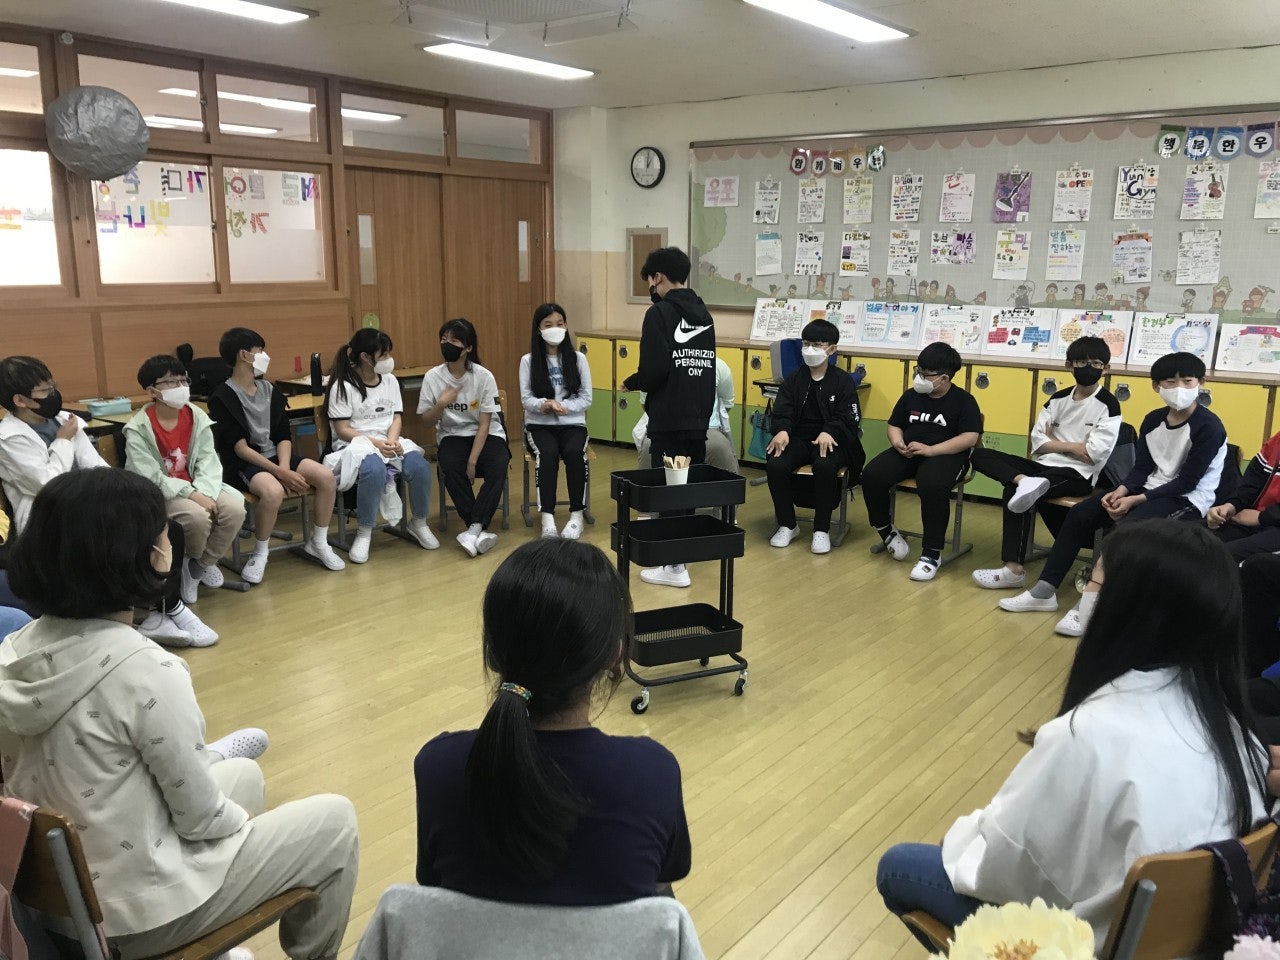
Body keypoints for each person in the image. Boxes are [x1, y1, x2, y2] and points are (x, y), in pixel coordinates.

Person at [0, 468, 360, 960]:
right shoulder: (146, 669)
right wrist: (240, 823)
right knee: (334, 822)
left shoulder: (12, 652)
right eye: (162, 533)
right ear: (146, 555)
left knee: (244, 773)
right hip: (135, 919)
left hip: (57, 905)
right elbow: (200, 820)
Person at [876, 520, 1269, 954]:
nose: (1087, 595)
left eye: (1092, 582)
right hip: (1180, 939)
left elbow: (1006, 865)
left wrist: (961, 839)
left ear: (1127, 609)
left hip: (1091, 942)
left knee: (900, 866)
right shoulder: (1230, 724)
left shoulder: (1086, 733)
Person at [414, 539, 691, 904]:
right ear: (615, 654)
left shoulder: (438, 766)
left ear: (493, 652)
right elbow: (661, 891)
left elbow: (434, 888)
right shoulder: (652, 773)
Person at [1000, 352, 1226, 637]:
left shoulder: (1209, 426)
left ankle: (1092, 605)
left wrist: (1134, 500)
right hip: (1149, 488)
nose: (1179, 388)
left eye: (1187, 381)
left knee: (1125, 532)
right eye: (1170, 382)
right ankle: (1045, 590)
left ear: (1201, 383)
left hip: (1188, 498)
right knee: (1081, 513)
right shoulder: (1153, 420)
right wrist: (1121, 490)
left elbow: (1187, 481)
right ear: (1156, 386)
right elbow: (1142, 468)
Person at [0, 355, 212, 645]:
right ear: (20, 400)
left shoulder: (66, 421)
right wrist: (62, 441)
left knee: (166, 528)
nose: (54, 394)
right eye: (46, 390)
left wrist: (120, 500)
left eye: (53, 386)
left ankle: (161, 612)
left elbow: (96, 466)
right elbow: (47, 484)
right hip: (52, 520)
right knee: (115, 544)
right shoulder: (8, 438)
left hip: (91, 507)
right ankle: (161, 611)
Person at [970, 336, 1121, 590]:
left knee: (1013, 491)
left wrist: (1056, 442)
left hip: (1078, 474)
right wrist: (1075, 446)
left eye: (1096, 363)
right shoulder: (1057, 398)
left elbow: (1093, 454)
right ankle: (1023, 480)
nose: (1088, 367)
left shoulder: (1109, 405)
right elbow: (1037, 442)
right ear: (1069, 365)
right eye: (1081, 362)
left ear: (1105, 368)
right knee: (979, 455)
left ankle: (1013, 569)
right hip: (1043, 467)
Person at [208, 328, 345, 583]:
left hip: (277, 458)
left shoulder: (269, 390)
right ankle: (260, 553)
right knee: (272, 492)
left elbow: (283, 435)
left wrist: (284, 466)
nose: (265, 356)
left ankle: (318, 542)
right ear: (244, 355)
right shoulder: (222, 397)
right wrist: (280, 473)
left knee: (326, 477)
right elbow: (239, 448)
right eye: (260, 351)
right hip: (245, 463)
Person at [125, 355, 248, 622]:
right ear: (152, 391)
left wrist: (204, 492)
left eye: (183, 380)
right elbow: (150, 477)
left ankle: (199, 566)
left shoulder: (197, 416)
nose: (180, 386)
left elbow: (208, 460)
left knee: (235, 509)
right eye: (171, 382)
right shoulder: (137, 429)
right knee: (196, 517)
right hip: (163, 492)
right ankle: (187, 562)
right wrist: (193, 495)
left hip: (201, 484)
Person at [621, 246, 716, 589]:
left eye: (649, 279)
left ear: (657, 276)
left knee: (668, 490)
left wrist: (633, 381)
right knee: (686, 492)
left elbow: (655, 369)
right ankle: (680, 559)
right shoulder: (704, 314)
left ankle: (674, 566)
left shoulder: (658, 314)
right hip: (698, 418)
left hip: (670, 418)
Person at [860, 342, 982, 582]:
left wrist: (931, 450)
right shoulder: (911, 396)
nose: (920, 377)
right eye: (919, 371)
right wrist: (897, 442)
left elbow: (970, 437)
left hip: (946, 455)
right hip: (909, 451)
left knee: (932, 485)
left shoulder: (964, 401)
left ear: (944, 378)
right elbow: (894, 424)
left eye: (926, 374)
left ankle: (931, 553)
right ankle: (886, 530)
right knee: (872, 474)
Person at [324, 329, 438, 563]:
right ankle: (364, 531)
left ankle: (419, 522)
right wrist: (377, 443)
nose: (389, 359)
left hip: (387, 441)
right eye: (384, 355)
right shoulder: (342, 386)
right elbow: (342, 429)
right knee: (373, 470)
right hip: (355, 445)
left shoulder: (390, 381)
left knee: (419, 467)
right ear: (365, 357)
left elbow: (396, 417)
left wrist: (393, 441)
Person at [764, 319, 865, 554]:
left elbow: (850, 417)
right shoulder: (794, 379)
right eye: (806, 343)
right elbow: (782, 410)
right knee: (776, 463)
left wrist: (830, 431)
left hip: (832, 440)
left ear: (832, 349)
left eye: (817, 345)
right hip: (798, 438)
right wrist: (782, 430)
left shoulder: (842, 381)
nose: (810, 349)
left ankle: (821, 529)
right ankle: (788, 524)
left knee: (824, 465)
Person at [417, 318, 510, 558]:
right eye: (443, 339)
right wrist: (441, 404)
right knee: (449, 465)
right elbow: (426, 421)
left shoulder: (483, 376)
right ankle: (478, 528)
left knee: (499, 462)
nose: (447, 344)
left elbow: (485, 423)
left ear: (468, 347)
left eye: (454, 340)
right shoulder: (433, 377)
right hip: (453, 434)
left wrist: (472, 461)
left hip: (486, 433)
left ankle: (473, 529)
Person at [519, 303, 592, 540]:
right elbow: (526, 399)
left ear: (566, 326)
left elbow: (586, 398)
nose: (555, 329)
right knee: (547, 454)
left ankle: (576, 516)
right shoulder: (528, 361)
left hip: (573, 424)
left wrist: (564, 407)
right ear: (538, 329)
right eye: (548, 324)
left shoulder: (578, 359)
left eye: (559, 324)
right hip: (540, 425)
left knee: (574, 453)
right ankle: (547, 519)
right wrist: (545, 404)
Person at [633, 356, 739, 474]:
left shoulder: (717, 365)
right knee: (650, 448)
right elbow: (727, 404)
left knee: (718, 447)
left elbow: (726, 404)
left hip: (705, 428)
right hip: (673, 428)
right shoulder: (716, 364)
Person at [1206, 427, 1280, 560]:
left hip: (1270, 523)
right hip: (1253, 519)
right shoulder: (1277, 441)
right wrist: (1232, 505)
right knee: (1195, 544)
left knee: (1221, 557)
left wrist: (1262, 518)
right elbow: (1253, 481)